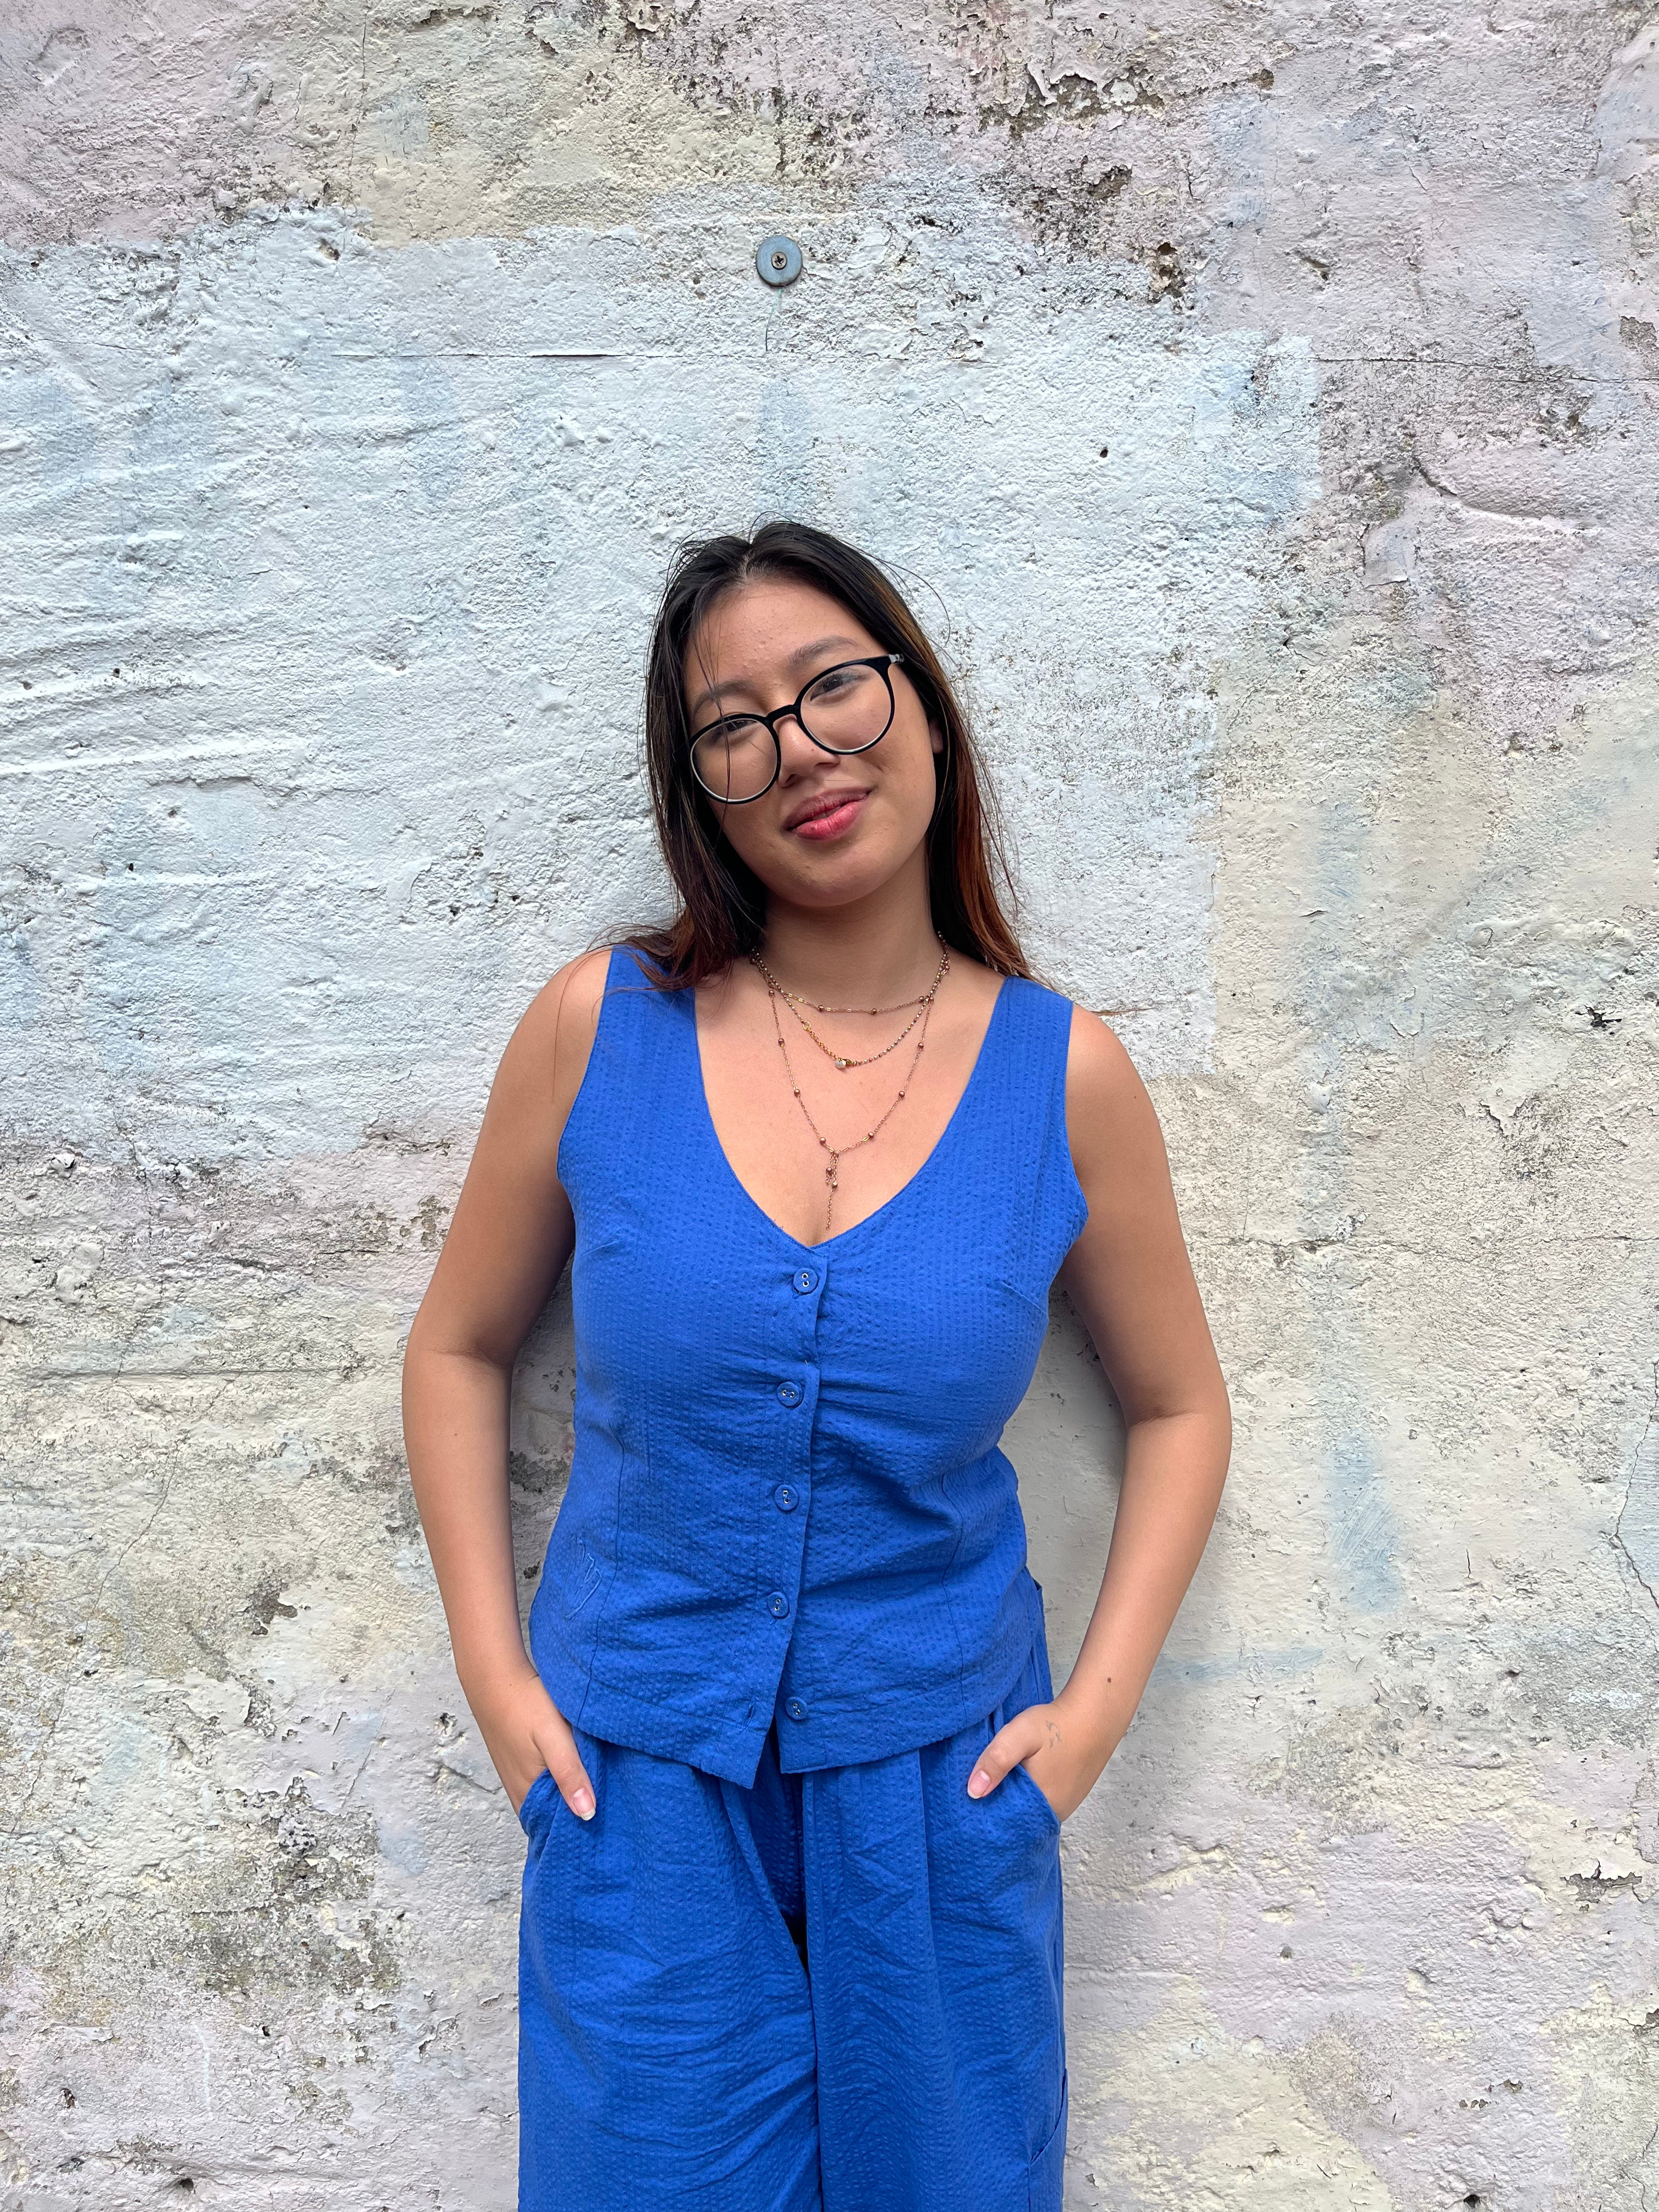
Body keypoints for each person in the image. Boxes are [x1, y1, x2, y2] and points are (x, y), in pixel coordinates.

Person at [400, 520, 1232, 2211]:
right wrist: (502, 1689)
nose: (802, 752)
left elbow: (1182, 1404)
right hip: (637, 1782)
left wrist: (1084, 1729)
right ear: (699, 788)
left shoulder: (1063, 1075)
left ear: (922, 708)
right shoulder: (598, 1028)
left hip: (941, 1793)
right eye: (736, 726)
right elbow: (456, 1346)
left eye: (836, 687)